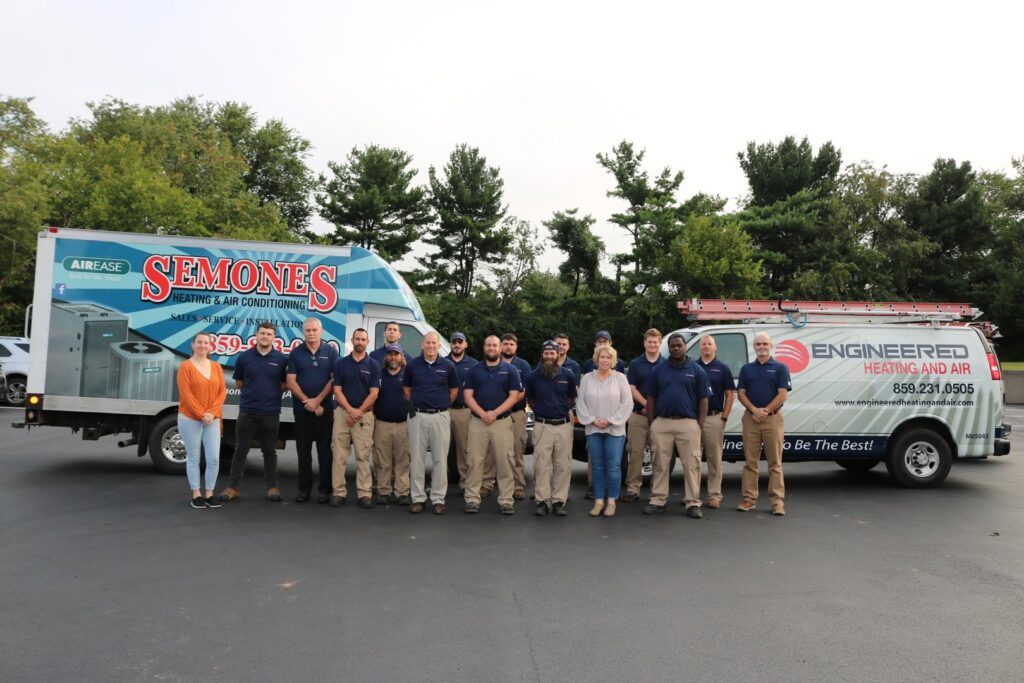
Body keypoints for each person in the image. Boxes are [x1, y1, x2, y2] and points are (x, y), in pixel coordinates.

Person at [644, 333, 712, 519]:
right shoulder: (659, 370)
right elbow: (651, 398)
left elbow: (703, 400)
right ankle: (658, 500)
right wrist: (652, 423)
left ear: (685, 347)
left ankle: (693, 503)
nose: (676, 348)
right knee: (660, 464)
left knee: (691, 465)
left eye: (679, 345)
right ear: (669, 348)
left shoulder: (697, 370)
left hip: (688, 423)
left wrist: (699, 424)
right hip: (662, 423)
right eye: (672, 346)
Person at [218, 322, 287, 503]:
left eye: (269, 334)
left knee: (269, 451)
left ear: (274, 338)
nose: (265, 336)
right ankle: (233, 488)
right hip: (248, 411)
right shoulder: (244, 357)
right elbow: (239, 383)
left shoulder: (281, 359)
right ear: (256, 335)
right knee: (240, 449)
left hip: (271, 413)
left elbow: (284, 384)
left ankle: (272, 487)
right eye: (262, 333)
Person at [463, 335, 522, 515]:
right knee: (474, 461)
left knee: (505, 461)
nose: (492, 348)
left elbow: (514, 396)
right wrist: (483, 414)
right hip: (477, 422)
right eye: (488, 345)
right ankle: (472, 499)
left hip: (502, 423)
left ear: (500, 348)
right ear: (484, 347)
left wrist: (494, 413)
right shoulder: (474, 370)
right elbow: (467, 395)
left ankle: (506, 500)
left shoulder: (511, 370)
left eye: (495, 345)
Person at [403, 331, 458, 515]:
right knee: (417, 459)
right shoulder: (412, 365)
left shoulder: (448, 366)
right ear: (422, 345)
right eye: (427, 343)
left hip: (440, 416)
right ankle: (418, 498)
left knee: (440, 459)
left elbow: (454, 390)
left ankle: (438, 499)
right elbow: (407, 389)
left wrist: (441, 405)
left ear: (438, 345)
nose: (431, 346)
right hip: (418, 415)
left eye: (434, 343)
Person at [736, 332, 791, 516]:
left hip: (773, 419)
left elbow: (783, 394)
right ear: (754, 346)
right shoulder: (746, 369)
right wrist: (754, 410)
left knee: (775, 463)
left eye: (764, 343)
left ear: (771, 345)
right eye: (758, 344)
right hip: (751, 419)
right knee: (750, 462)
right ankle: (749, 499)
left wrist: (765, 411)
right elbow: (741, 393)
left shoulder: (780, 368)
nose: (761, 347)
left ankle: (777, 502)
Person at [286, 317, 338, 503]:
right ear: (303, 332)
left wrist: (317, 401)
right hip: (302, 411)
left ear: (321, 331)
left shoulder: (331, 352)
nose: (311, 333)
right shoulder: (296, 353)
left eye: (314, 330)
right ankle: (304, 490)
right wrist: (308, 402)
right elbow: (291, 381)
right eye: (308, 330)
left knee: (325, 451)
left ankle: (324, 490)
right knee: (303, 451)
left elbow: (334, 380)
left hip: (325, 410)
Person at [575, 346, 632, 517]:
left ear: (613, 360)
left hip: (614, 430)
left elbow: (627, 403)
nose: (605, 360)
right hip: (593, 429)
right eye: (602, 357)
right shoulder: (587, 379)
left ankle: (612, 501)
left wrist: (611, 421)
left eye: (608, 357)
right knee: (598, 467)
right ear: (596, 359)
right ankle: (599, 501)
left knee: (613, 466)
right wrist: (592, 420)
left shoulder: (620, 378)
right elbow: (580, 402)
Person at [330, 328, 381, 509]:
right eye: (357, 339)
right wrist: (351, 410)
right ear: (352, 340)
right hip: (343, 413)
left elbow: (374, 393)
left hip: (364, 415)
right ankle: (338, 493)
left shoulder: (374, 365)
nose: (360, 342)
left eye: (363, 339)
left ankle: (365, 494)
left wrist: (358, 411)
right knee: (339, 455)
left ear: (367, 342)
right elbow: (337, 390)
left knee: (363, 455)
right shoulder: (341, 364)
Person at [526, 340, 577, 516]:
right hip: (542, 425)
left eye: (552, 353)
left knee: (563, 464)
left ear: (558, 354)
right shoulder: (532, 376)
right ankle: (542, 501)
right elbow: (531, 401)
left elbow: (571, 399)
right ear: (542, 355)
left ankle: (558, 501)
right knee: (541, 464)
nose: (549, 356)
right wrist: (543, 411)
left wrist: (559, 410)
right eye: (546, 353)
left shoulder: (568, 375)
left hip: (563, 425)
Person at [177, 332, 227, 509]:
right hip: (190, 418)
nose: (203, 345)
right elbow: (186, 395)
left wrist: (211, 413)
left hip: (212, 419)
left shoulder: (216, 367)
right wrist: (201, 414)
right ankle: (196, 494)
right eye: (199, 342)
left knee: (214, 458)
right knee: (194, 457)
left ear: (211, 346)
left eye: (206, 343)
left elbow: (222, 392)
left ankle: (210, 494)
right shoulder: (185, 367)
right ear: (193, 344)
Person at [622, 328, 664, 502]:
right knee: (635, 453)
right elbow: (631, 388)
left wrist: (654, 408)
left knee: (660, 455)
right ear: (644, 343)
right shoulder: (636, 364)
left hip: (659, 418)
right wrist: (647, 404)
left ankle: (658, 490)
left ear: (660, 343)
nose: (652, 345)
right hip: (638, 415)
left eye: (655, 342)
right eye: (649, 341)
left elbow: (667, 390)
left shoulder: (667, 364)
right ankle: (633, 489)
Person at [695, 335, 735, 509]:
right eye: (703, 344)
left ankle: (714, 495)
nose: (706, 347)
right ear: (700, 348)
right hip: (694, 420)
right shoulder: (692, 366)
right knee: (693, 459)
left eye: (709, 344)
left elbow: (730, 395)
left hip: (713, 418)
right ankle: (693, 494)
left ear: (715, 347)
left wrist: (724, 417)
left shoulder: (723, 368)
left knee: (714, 459)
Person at [373, 344, 412, 506]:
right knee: (383, 461)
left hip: (404, 423)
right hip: (382, 423)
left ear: (402, 356)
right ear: (386, 357)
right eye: (390, 354)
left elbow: (413, 397)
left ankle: (402, 492)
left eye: (396, 354)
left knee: (403, 460)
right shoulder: (379, 374)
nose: (393, 357)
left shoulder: (408, 375)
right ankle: (384, 491)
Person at [500, 333, 532, 499]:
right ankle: (488, 484)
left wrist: (504, 405)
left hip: (516, 414)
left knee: (517, 451)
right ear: (500, 346)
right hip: (496, 417)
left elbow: (524, 391)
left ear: (516, 347)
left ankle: (518, 486)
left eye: (511, 344)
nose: (508, 347)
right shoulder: (492, 363)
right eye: (505, 344)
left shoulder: (523, 365)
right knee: (493, 452)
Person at [447, 331, 478, 492]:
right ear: (450, 344)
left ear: (465, 344)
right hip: (444, 411)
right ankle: (441, 481)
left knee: (464, 448)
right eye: (454, 342)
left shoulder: (474, 364)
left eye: (460, 342)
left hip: (464, 412)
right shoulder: (442, 362)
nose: (457, 344)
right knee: (441, 448)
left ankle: (465, 481)